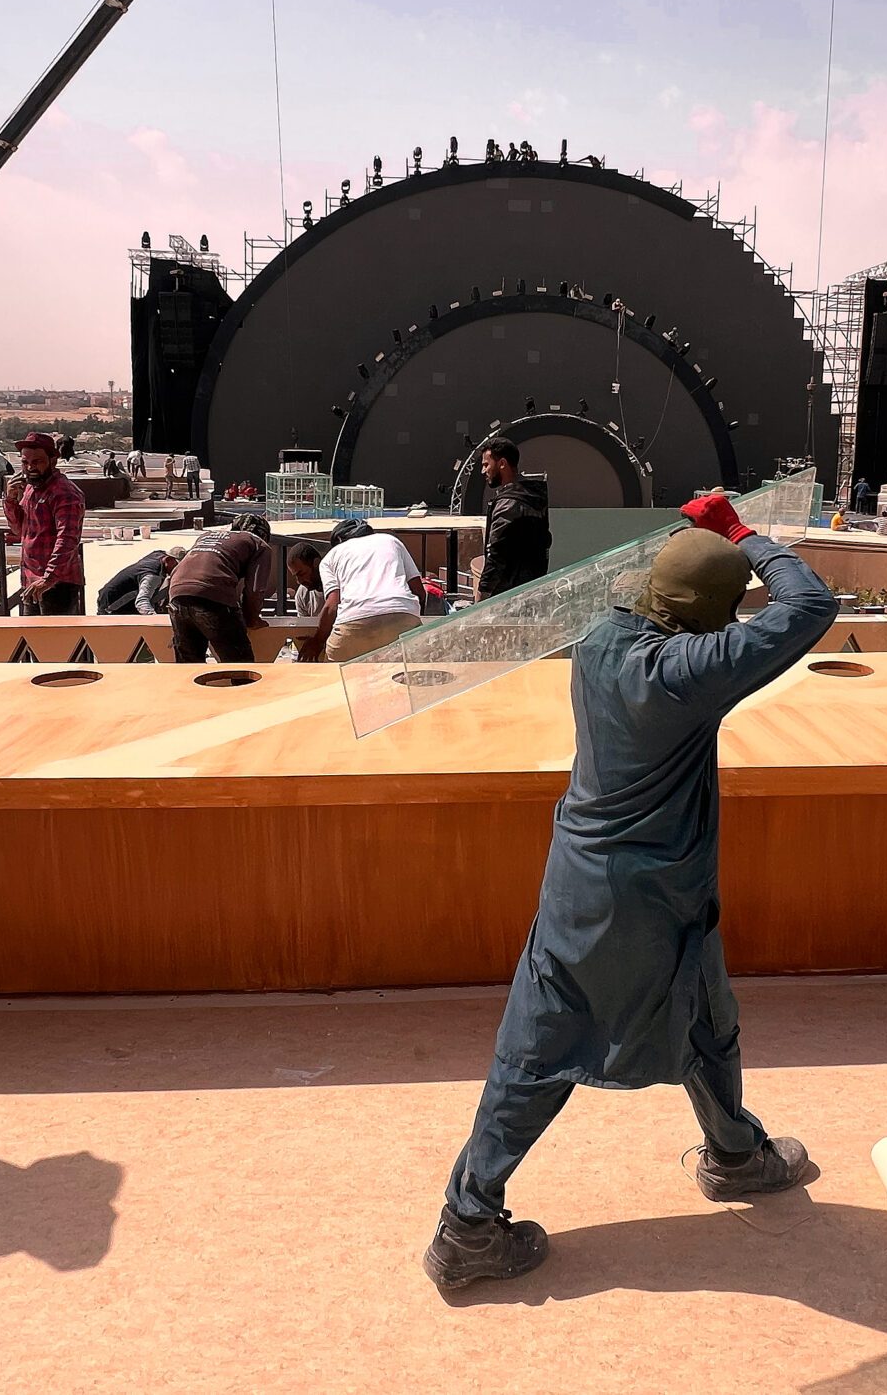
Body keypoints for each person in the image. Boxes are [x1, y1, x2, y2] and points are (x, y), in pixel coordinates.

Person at [425, 492, 837, 1288]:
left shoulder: (602, 639)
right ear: (715, 617)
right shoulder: (690, 671)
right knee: (699, 1012)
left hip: (577, 882)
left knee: (541, 1047)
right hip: (656, 899)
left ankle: (469, 1219)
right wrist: (741, 533)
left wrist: (698, 542)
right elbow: (810, 604)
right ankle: (736, 1156)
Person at [306, 519, 426, 661]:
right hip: (402, 615)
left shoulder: (331, 557)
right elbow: (419, 591)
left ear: (339, 540)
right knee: (405, 676)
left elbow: (331, 606)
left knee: (335, 677)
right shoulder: (391, 541)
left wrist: (317, 641)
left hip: (353, 622)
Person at [2, 431, 86, 615]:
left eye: (37, 462)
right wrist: (9, 500)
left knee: (57, 642)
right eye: (25, 462)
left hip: (57, 585)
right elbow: (19, 529)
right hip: (31, 581)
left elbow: (68, 538)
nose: (30, 467)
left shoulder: (64, 493)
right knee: (31, 641)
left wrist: (49, 578)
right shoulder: (31, 488)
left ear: (53, 461)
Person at [167, 515, 272, 663]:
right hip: (211, 599)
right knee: (240, 668)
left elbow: (184, 570)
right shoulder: (258, 544)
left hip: (177, 596)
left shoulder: (207, 536)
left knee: (188, 669)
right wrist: (252, 618)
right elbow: (255, 589)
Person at [476, 437, 551, 597]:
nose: (483, 471)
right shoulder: (531, 496)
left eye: (486, 465)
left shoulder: (509, 504)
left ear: (502, 463)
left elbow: (496, 555)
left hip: (507, 597)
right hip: (530, 591)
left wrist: (482, 594)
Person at [96, 545, 182, 616]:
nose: (179, 569)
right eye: (178, 566)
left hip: (115, 595)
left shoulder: (158, 555)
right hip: (111, 606)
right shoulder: (151, 576)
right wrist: (156, 620)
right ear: (168, 560)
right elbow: (142, 602)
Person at [285, 542, 326, 619]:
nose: (299, 581)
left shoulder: (339, 586)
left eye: (301, 574)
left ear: (316, 563)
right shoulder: (302, 594)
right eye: (296, 576)